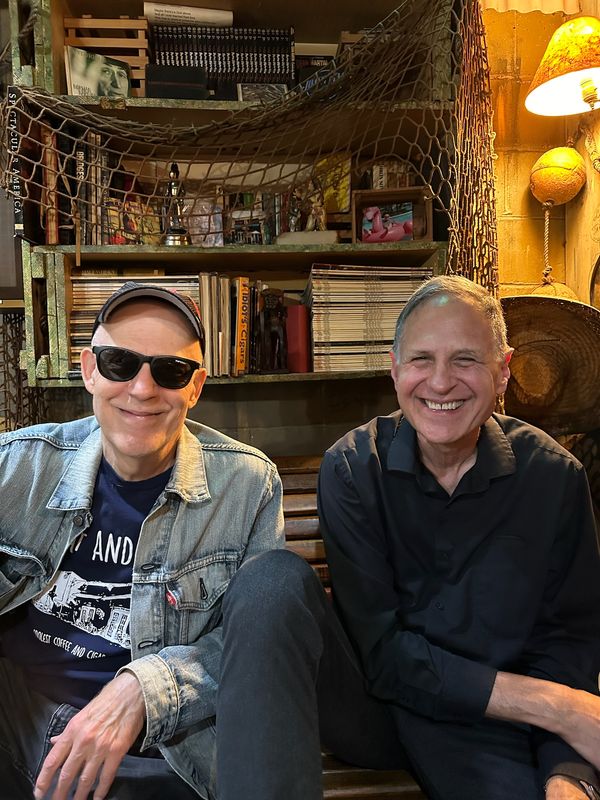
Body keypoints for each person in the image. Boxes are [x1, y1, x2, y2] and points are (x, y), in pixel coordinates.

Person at [215, 275, 600, 800]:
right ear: (395, 370)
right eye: (421, 359)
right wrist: (556, 707)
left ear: (503, 370)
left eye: (465, 359)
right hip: (380, 712)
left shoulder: (555, 476)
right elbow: (383, 656)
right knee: (269, 581)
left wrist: (567, 771)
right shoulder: (353, 468)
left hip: (497, 727)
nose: (440, 383)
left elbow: (568, 642)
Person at [0, 281, 284, 799]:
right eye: (120, 363)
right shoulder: (18, 465)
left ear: (195, 387)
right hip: (20, 714)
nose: (142, 389)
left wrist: (142, 690)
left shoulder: (247, 486)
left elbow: (254, 640)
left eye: (171, 371)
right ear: (90, 370)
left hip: (163, 747)